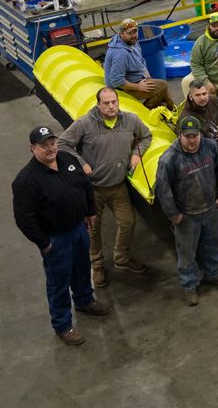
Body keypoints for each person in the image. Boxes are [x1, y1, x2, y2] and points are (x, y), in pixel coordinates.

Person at [12, 126, 108, 346]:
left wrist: (90, 210)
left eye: (52, 142)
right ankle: (63, 325)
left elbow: (85, 185)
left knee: (83, 268)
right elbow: (24, 219)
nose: (50, 148)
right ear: (32, 148)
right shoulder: (27, 181)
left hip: (78, 228)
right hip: (56, 239)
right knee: (59, 282)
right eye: (43, 145)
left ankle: (84, 300)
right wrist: (45, 244)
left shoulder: (66, 159)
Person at [57, 87, 152, 288]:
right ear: (98, 104)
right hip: (93, 189)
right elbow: (62, 144)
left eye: (114, 102)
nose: (111, 106)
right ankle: (97, 264)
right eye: (106, 103)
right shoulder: (85, 123)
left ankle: (122, 257)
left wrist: (137, 153)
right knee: (93, 229)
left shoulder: (131, 120)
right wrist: (81, 163)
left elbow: (147, 137)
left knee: (127, 223)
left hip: (118, 186)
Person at [155, 116, 218, 306]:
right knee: (187, 253)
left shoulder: (211, 147)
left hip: (210, 209)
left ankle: (214, 274)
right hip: (187, 216)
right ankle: (189, 286)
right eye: (187, 136)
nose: (192, 140)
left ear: (200, 134)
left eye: (195, 136)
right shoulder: (168, 160)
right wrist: (173, 214)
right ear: (180, 136)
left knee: (213, 244)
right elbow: (163, 190)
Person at [103, 19, 173, 109]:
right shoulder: (120, 54)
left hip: (135, 79)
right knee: (163, 86)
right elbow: (116, 81)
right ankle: (146, 110)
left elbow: (141, 60)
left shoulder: (133, 42)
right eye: (130, 33)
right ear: (121, 34)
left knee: (163, 93)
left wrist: (147, 76)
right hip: (120, 89)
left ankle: (171, 111)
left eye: (135, 32)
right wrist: (138, 87)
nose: (134, 35)